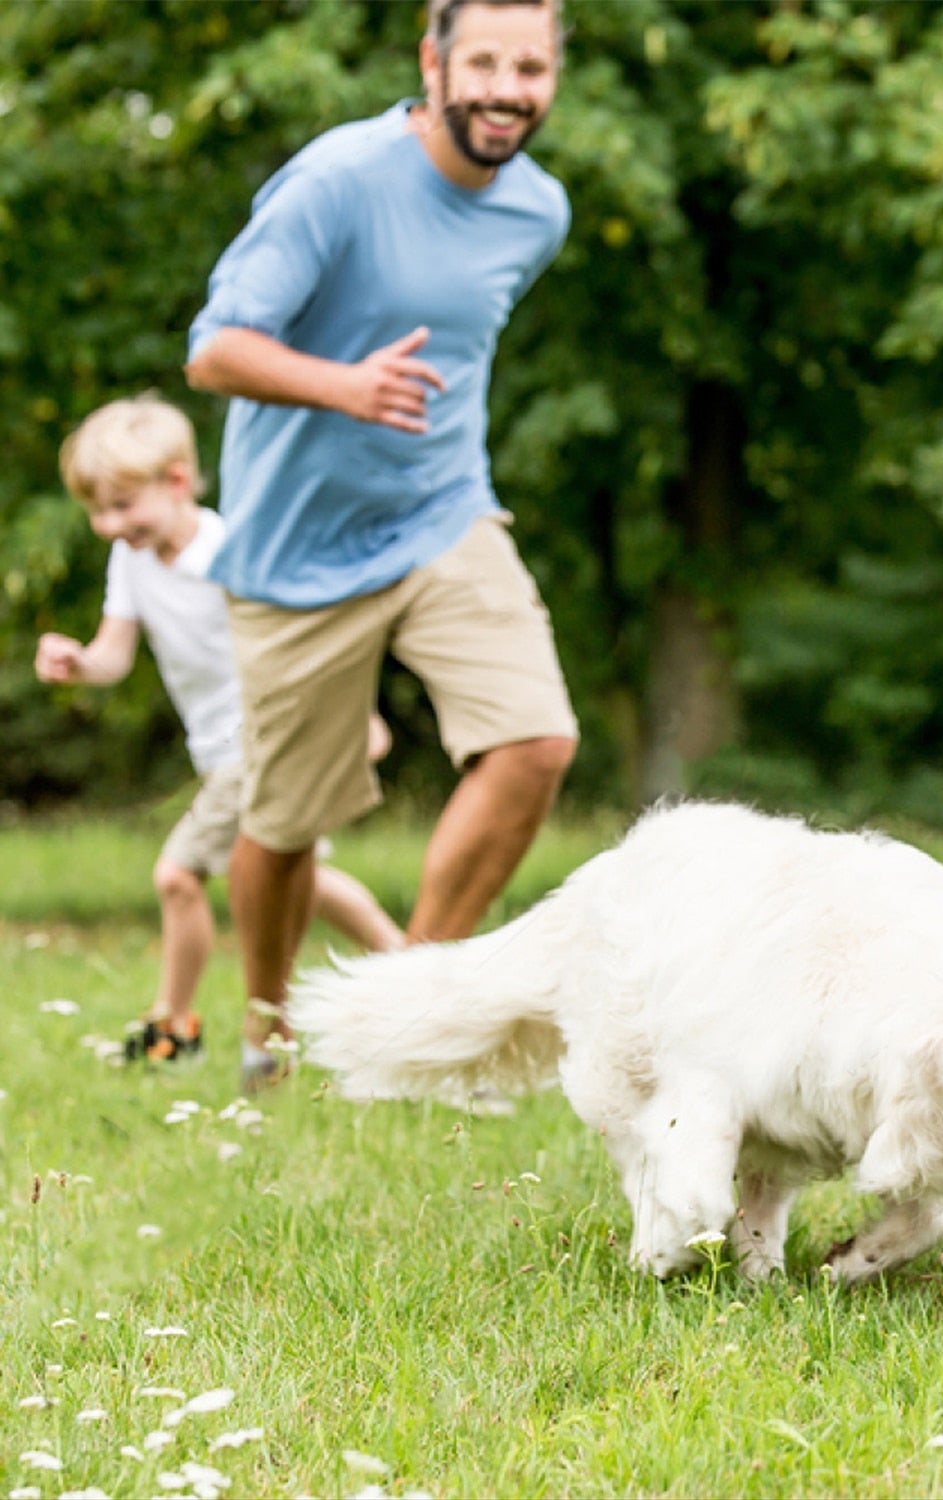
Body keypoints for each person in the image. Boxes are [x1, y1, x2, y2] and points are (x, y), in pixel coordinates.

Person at [183, 0, 578, 1092]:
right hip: (294, 549)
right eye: (486, 61)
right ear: (433, 62)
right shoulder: (338, 181)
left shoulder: (538, 211)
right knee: (284, 824)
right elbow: (213, 350)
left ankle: (406, 1006)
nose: (508, 88)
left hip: (446, 513)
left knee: (535, 744)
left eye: (531, 67)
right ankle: (268, 1034)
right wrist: (345, 385)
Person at [37, 394, 404, 1065]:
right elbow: (115, 654)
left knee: (178, 874)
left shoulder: (231, 551)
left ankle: (175, 1028)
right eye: (95, 510)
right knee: (300, 876)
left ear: (176, 481)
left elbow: (305, 641)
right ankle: (414, 969)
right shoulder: (133, 559)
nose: (107, 524)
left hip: (264, 739)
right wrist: (80, 663)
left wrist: (356, 719)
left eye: (121, 506)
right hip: (216, 751)